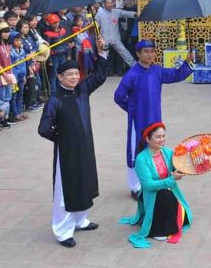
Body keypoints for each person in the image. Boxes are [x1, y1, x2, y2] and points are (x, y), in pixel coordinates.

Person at [37, 36, 110, 248]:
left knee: (84, 182)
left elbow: (99, 75)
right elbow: (43, 128)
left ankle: (81, 220)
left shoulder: (82, 91)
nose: (74, 77)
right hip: (67, 152)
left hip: (86, 146)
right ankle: (62, 230)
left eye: (76, 73)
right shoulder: (55, 100)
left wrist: (101, 52)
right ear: (59, 77)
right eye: (69, 74)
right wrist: (62, 138)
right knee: (66, 190)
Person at [113, 40, 193, 198]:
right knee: (136, 150)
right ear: (138, 54)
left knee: (156, 148)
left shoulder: (157, 71)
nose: (150, 55)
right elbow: (118, 96)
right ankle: (135, 186)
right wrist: (132, 109)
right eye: (146, 51)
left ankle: (155, 180)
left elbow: (176, 75)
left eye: (152, 51)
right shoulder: (132, 74)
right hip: (139, 120)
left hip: (155, 118)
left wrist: (187, 62)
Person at [119, 122, 192, 247]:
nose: (162, 139)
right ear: (148, 139)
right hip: (151, 194)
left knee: (183, 215)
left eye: (163, 136)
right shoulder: (141, 159)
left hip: (167, 190)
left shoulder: (168, 152)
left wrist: (184, 166)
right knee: (166, 196)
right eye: (158, 137)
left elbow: (176, 167)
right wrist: (171, 180)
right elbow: (148, 185)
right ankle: (156, 229)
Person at [95, 0, 137, 75]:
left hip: (115, 38)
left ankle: (136, 68)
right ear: (104, 3)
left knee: (125, 52)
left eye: (111, 3)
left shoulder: (116, 12)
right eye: (108, 3)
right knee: (103, 56)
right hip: (105, 39)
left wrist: (136, 13)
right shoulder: (99, 13)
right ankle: (100, 72)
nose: (110, 4)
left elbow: (127, 13)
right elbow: (96, 26)